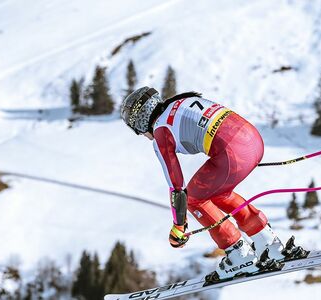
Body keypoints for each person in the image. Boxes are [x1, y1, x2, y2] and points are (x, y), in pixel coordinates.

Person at [120, 86, 294, 280]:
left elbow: (177, 186)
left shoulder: (161, 131)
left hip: (232, 154)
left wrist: (179, 226)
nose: (143, 136)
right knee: (218, 192)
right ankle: (266, 241)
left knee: (194, 198)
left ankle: (239, 255)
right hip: (253, 140)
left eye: (138, 131)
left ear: (141, 123)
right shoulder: (179, 102)